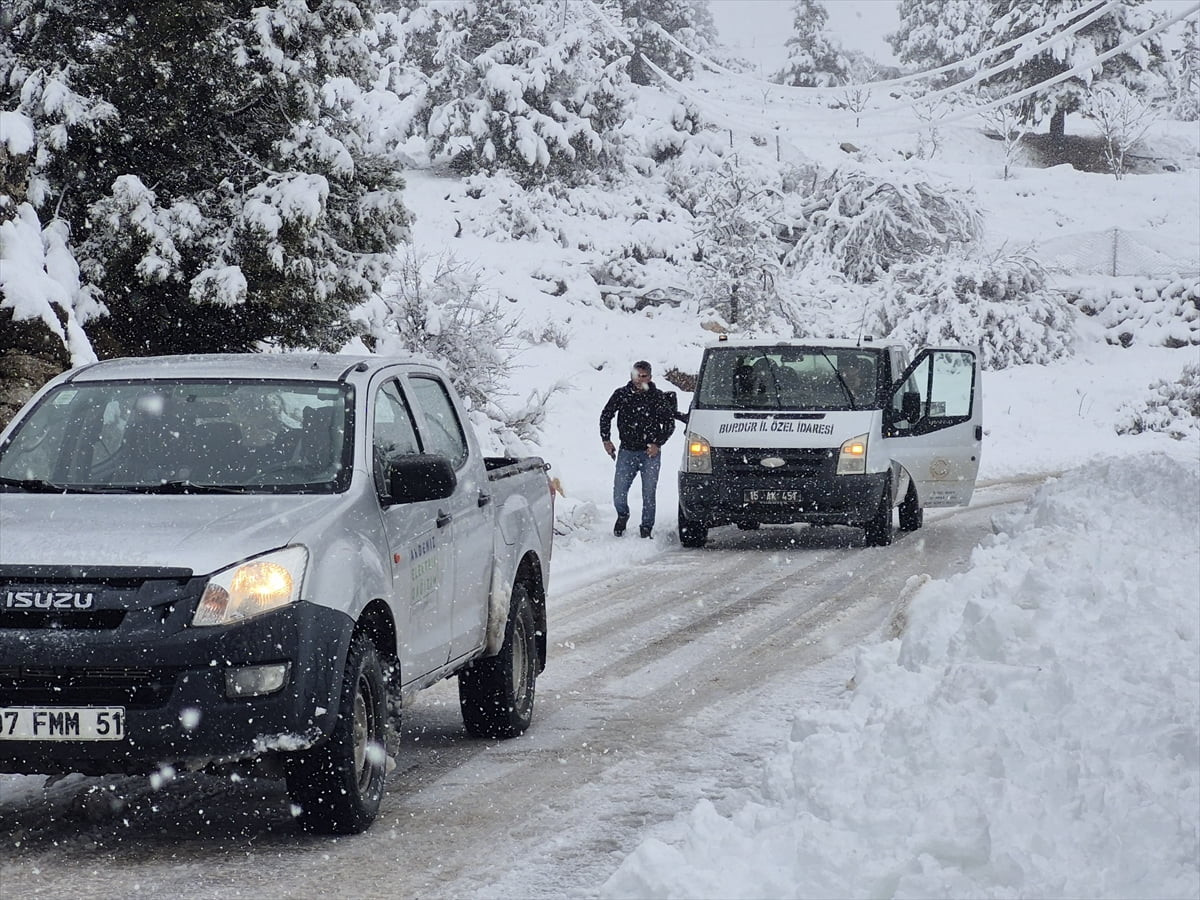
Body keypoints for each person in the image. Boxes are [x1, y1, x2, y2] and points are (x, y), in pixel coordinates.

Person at [599, 360, 677, 538]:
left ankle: (646, 527)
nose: (640, 379)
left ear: (649, 377)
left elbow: (669, 423)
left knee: (649, 493)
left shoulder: (656, 396)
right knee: (619, 491)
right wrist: (606, 439)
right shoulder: (621, 394)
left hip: (649, 453)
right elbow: (606, 415)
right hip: (626, 451)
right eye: (637, 375)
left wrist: (657, 443)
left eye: (644, 376)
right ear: (631, 375)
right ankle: (622, 515)